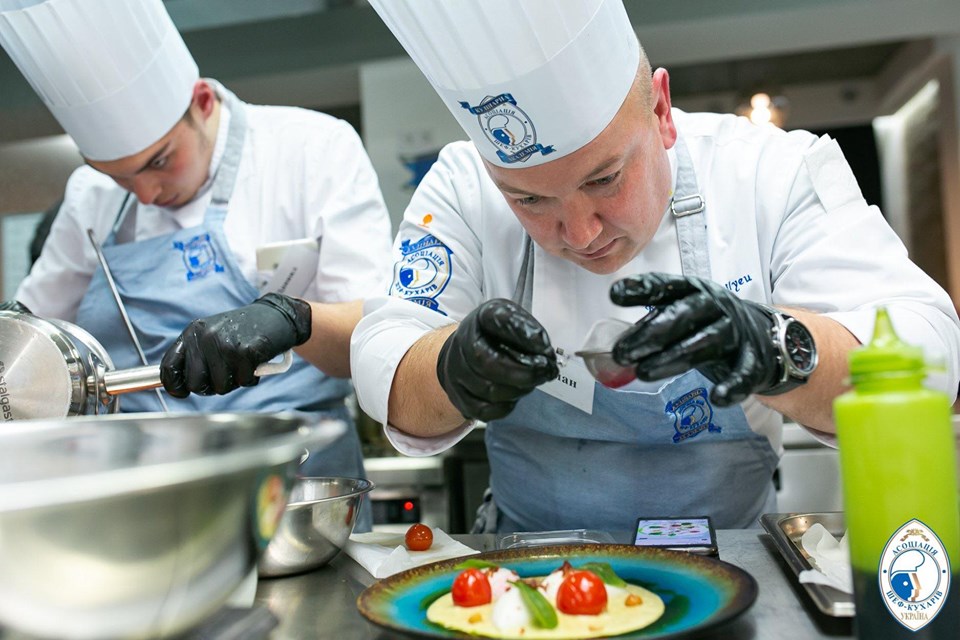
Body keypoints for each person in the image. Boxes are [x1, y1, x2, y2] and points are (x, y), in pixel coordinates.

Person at [352, 0, 960, 533]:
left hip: (735, 568)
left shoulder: (770, 171)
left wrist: (776, 345)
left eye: (605, 179)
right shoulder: (461, 187)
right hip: (526, 574)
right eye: (529, 200)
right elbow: (384, 362)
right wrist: (455, 368)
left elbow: (931, 355)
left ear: (662, 110)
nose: (580, 233)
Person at [0, 0, 393, 529]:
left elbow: (373, 339)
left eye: (159, 161)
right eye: (119, 177)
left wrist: (290, 319)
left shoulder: (312, 150)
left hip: (294, 485)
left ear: (203, 101)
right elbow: (33, 332)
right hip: (140, 492)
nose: (147, 191)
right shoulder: (89, 194)